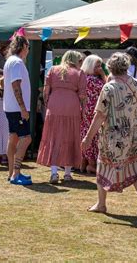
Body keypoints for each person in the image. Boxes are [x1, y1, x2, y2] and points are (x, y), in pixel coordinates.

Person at [81, 52, 137, 215]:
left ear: (110, 68)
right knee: (136, 168)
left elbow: (100, 115)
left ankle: (101, 204)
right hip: (136, 134)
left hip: (114, 136)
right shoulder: (136, 84)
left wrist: (88, 138)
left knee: (103, 166)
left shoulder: (109, 88)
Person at [37, 51, 86, 183]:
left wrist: (48, 105)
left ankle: (54, 173)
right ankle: (68, 173)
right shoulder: (80, 73)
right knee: (70, 138)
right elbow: (82, 96)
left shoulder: (53, 69)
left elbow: (45, 92)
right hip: (72, 107)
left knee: (53, 138)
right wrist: (84, 110)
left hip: (54, 106)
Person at [3, 36, 32, 185]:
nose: (28, 50)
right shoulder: (17, 62)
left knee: (13, 138)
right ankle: (16, 173)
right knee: (26, 138)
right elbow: (16, 86)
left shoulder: (11, 61)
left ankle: (11, 173)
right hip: (17, 108)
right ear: (24, 47)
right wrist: (23, 108)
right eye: (28, 47)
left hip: (11, 107)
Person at [79, 55, 106, 174]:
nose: (99, 68)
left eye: (100, 65)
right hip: (93, 110)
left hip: (85, 109)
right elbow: (107, 89)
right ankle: (91, 164)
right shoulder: (94, 80)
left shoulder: (83, 77)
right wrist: (104, 75)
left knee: (86, 133)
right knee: (93, 136)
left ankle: (84, 163)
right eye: (97, 66)